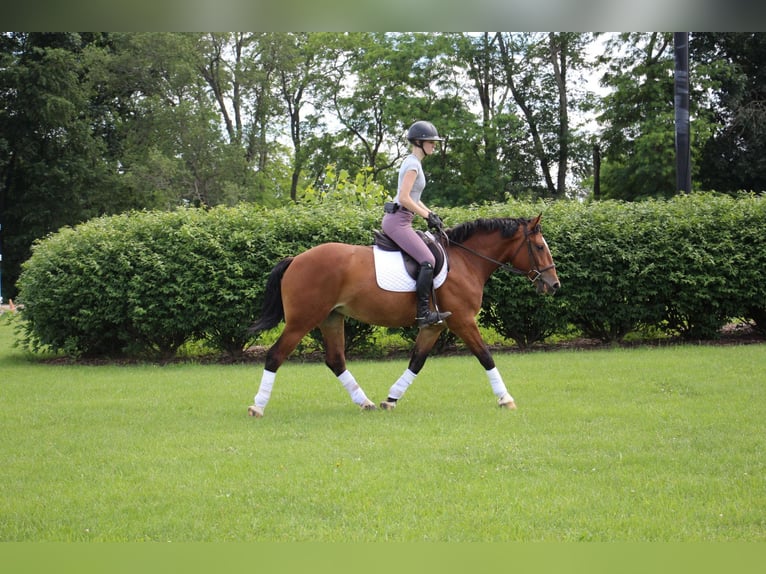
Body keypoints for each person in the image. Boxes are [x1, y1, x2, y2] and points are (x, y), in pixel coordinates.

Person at [382, 120, 451, 327]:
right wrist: (425, 216)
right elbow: (403, 198)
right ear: (420, 142)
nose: (434, 145)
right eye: (431, 142)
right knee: (427, 260)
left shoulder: (413, 162)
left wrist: (430, 213)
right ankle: (423, 314)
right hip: (398, 222)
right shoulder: (412, 164)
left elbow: (414, 196)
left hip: (403, 219)